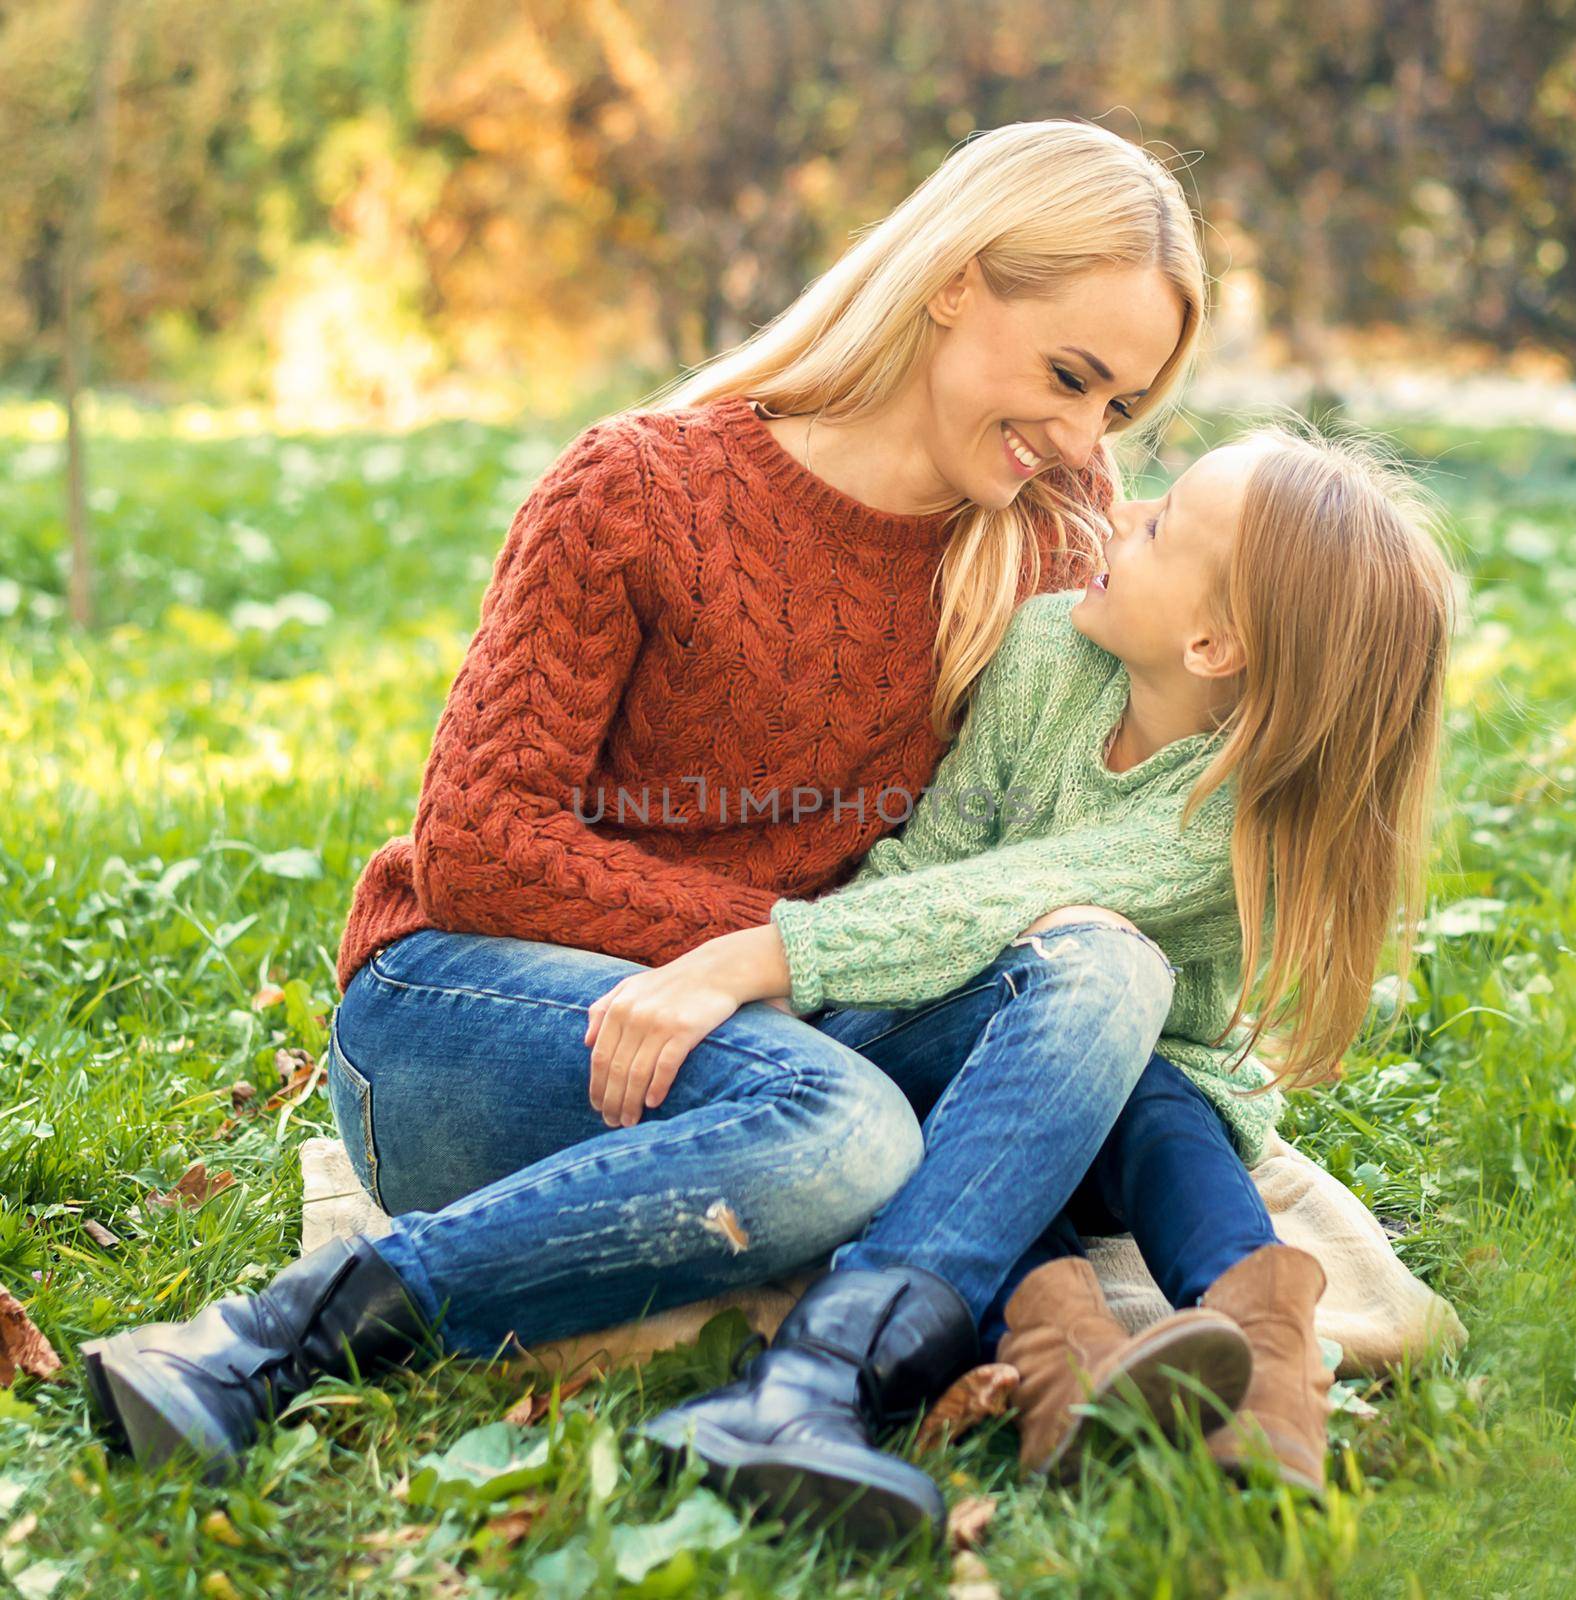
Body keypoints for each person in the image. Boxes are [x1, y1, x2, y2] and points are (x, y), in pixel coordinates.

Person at [78, 117, 1209, 1524]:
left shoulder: (1054, 537)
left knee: (1109, 965)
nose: (1083, 439)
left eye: (1120, 407)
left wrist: (796, 968)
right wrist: (779, 950)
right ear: (954, 281)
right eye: (1069, 377)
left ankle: (809, 1390)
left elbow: (1070, 840)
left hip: (781, 1016)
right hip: (475, 1008)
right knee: (851, 1126)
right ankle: (270, 1339)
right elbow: (482, 845)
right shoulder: (644, 489)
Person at [618, 421, 1454, 1533]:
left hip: (1141, 1097)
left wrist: (779, 953)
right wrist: (834, 968)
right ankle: (1075, 1376)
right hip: (973, 1045)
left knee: (1149, 1103)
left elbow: (1007, 897)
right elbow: (936, 858)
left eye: (1159, 527)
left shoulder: (1227, 813)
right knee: (998, 1136)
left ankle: (1265, 1368)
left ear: (1212, 644)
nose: (1119, 511)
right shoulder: (1043, 652)